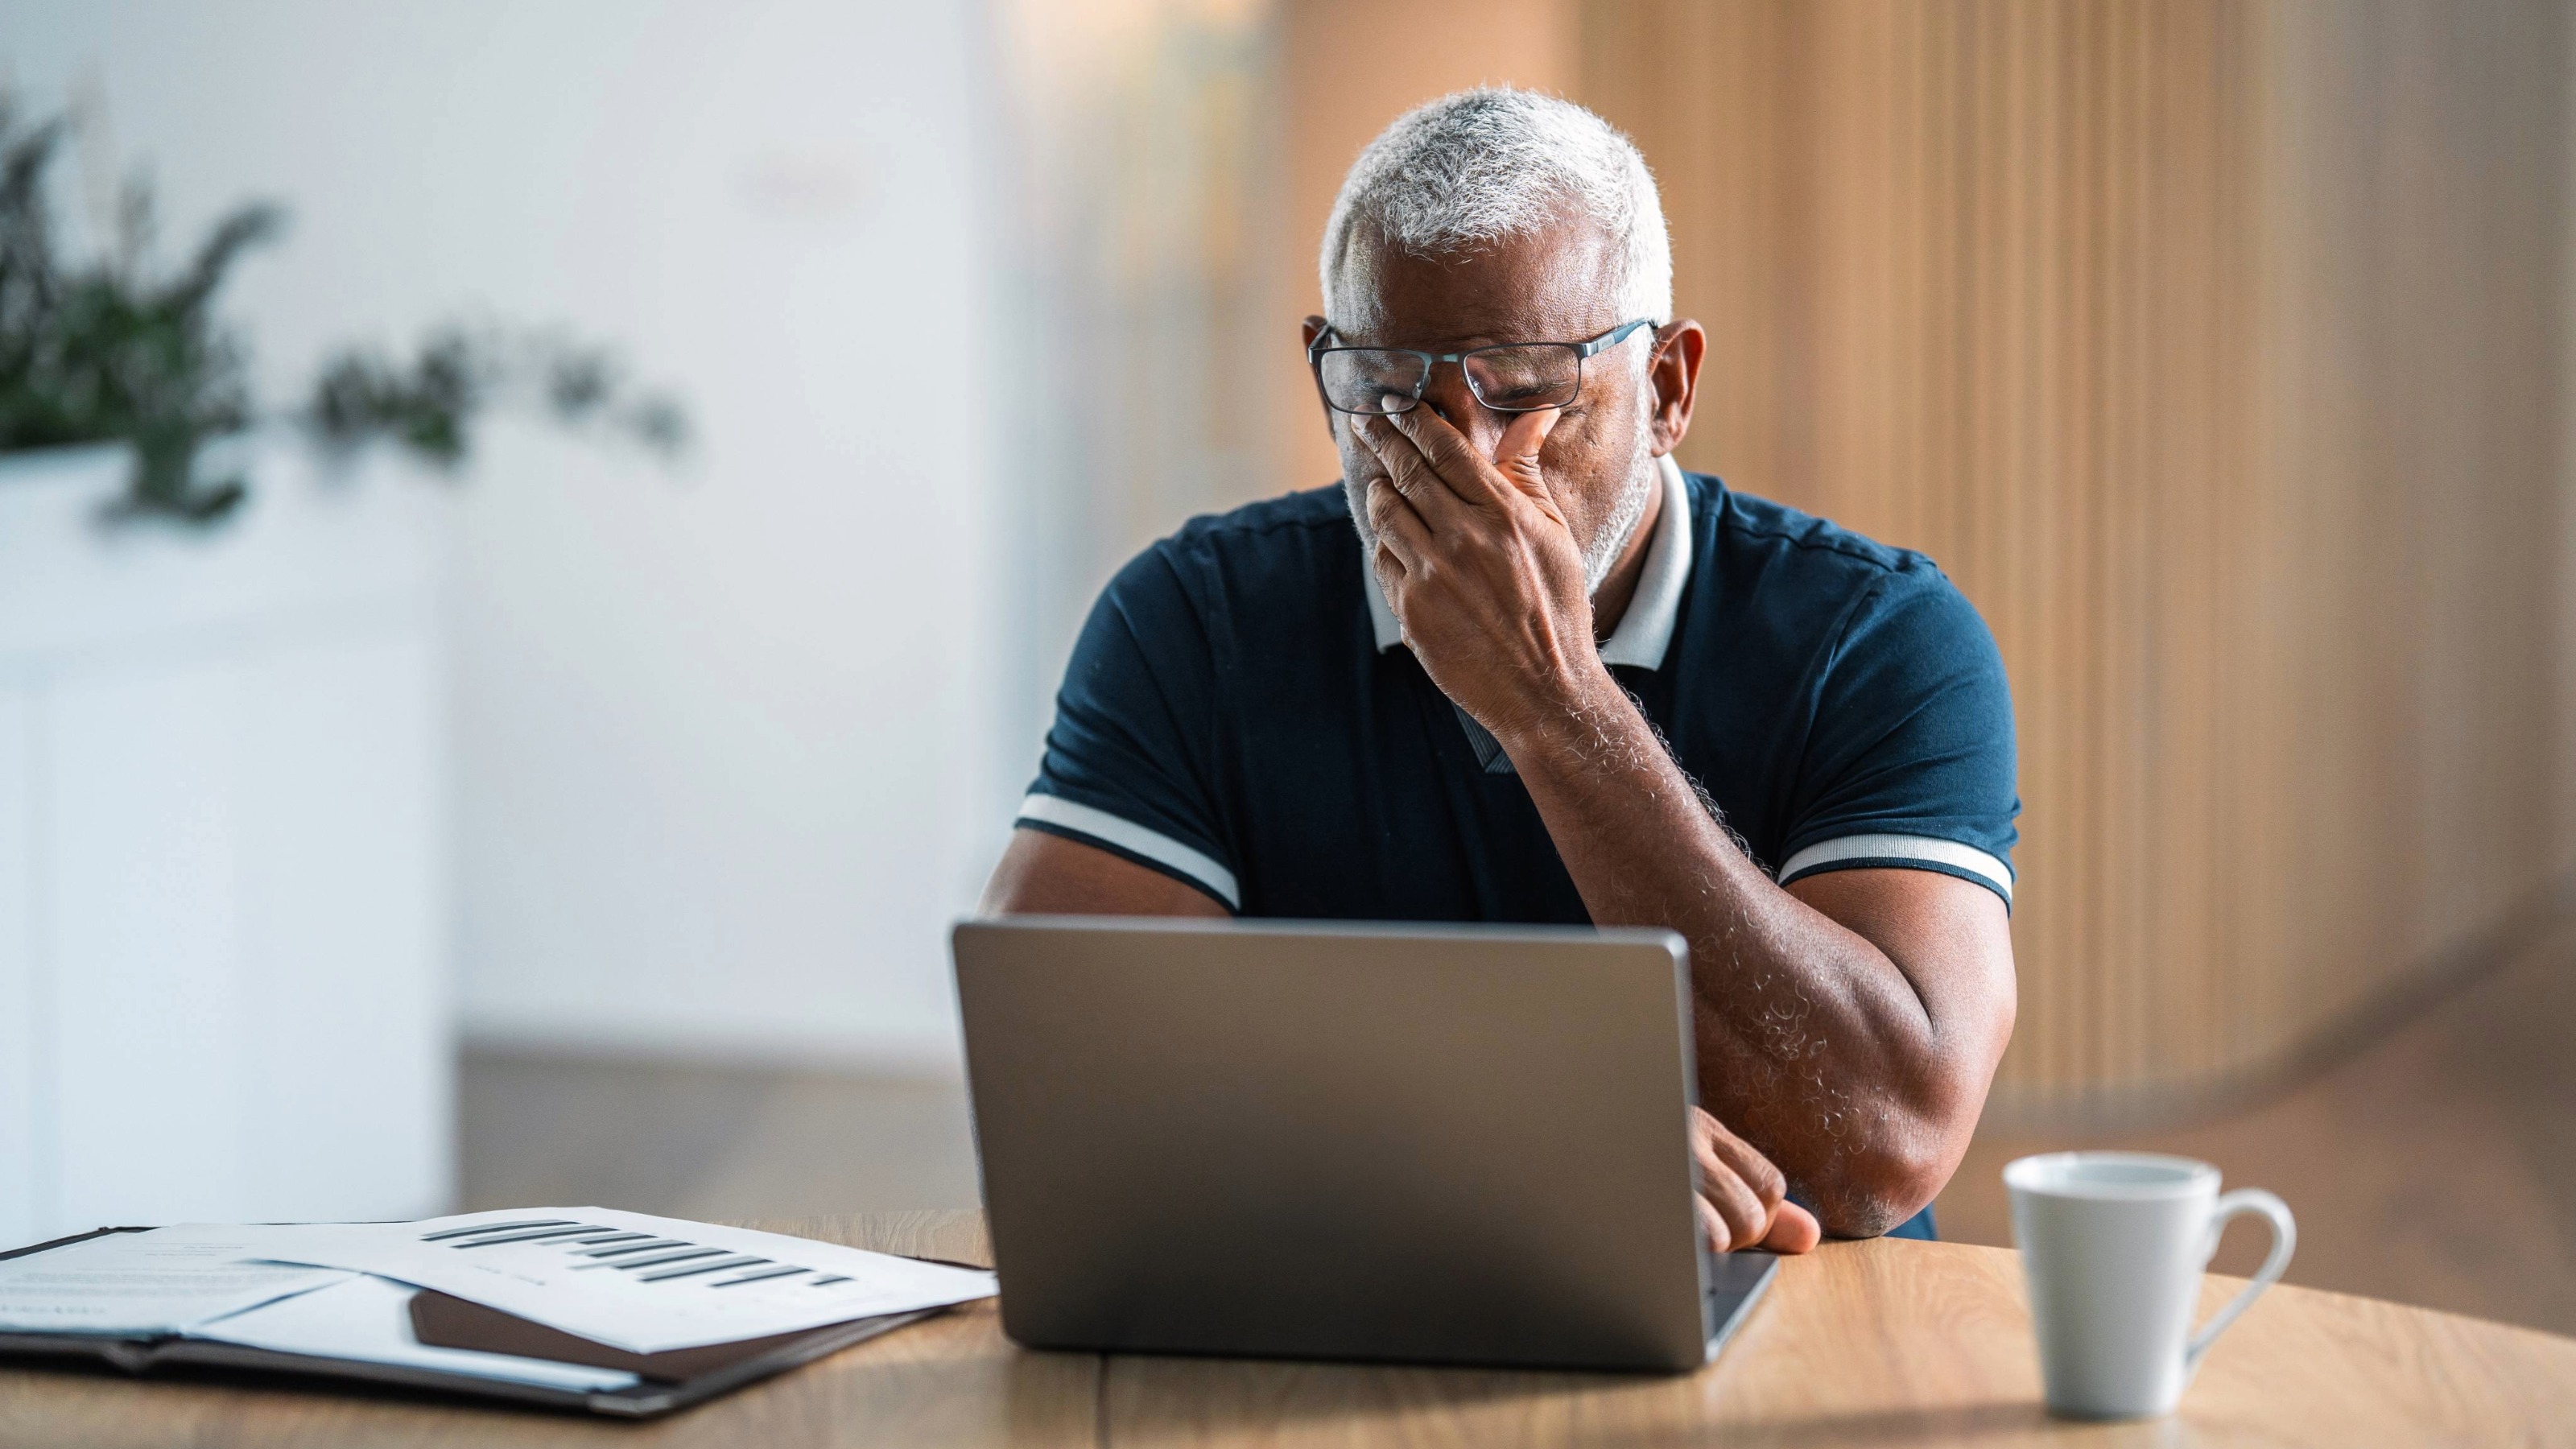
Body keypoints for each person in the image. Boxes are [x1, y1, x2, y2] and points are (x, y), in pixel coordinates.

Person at [980, 89, 2017, 1255]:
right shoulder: (1195, 617)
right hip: (1357, 1306)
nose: (1456, 459)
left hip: (1794, 1330)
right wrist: (1509, 1137)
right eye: (1385, 392)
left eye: (1523, 391)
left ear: (1669, 388)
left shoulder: (1880, 639)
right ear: (1322, 362)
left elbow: (1882, 1141)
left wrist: (1553, 698)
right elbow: (1054, 1066)